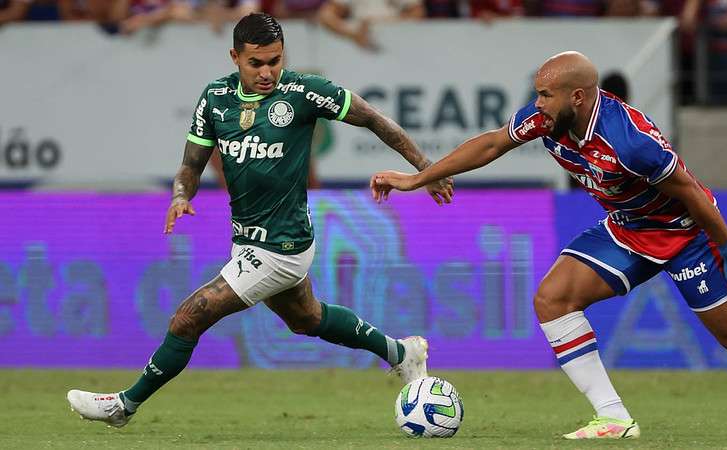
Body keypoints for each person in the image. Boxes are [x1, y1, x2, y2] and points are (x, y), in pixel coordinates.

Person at [370, 51, 727, 440]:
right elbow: (492, 143)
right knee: (552, 300)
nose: (537, 104)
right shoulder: (545, 119)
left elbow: (692, 192)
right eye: (537, 93)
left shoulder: (630, 142)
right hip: (627, 230)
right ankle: (613, 417)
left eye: (545, 95)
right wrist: (416, 179)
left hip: (686, 235)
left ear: (577, 96)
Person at [66, 12, 453, 428]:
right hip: (247, 241)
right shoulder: (215, 98)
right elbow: (191, 165)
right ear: (235, 57)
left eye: (275, 61)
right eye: (257, 63)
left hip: (283, 246)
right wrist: (181, 195)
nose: (268, 72)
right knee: (307, 318)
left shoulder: (304, 92)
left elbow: (374, 119)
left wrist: (425, 170)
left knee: (189, 316)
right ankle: (401, 353)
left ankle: (124, 405)